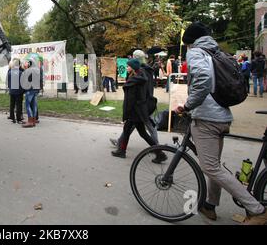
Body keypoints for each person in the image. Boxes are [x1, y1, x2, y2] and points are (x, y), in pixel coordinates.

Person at [174, 21, 267, 224]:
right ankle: (210, 205)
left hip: (206, 118)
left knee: (210, 167)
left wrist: (188, 106)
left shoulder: (196, 52)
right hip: (223, 117)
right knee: (214, 164)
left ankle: (256, 209)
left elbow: (204, 79)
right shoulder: (217, 52)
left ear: (189, 42)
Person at [110, 50, 164, 162]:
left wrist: (127, 114)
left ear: (133, 67)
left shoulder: (135, 81)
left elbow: (130, 100)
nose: (126, 67)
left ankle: (122, 151)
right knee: (142, 133)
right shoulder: (141, 76)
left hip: (135, 110)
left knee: (129, 130)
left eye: (128, 66)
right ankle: (159, 153)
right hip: (140, 109)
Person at [21, 57, 41, 128]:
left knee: (27, 104)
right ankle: (34, 120)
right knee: (34, 105)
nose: (27, 64)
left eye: (28, 62)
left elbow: (26, 81)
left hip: (30, 89)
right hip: (36, 89)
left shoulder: (29, 70)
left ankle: (30, 121)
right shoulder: (38, 70)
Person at [7, 59, 24, 124]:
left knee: (12, 104)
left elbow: (8, 82)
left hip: (12, 91)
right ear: (19, 64)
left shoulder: (10, 72)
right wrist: (23, 91)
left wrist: (10, 89)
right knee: (18, 105)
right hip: (19, 91)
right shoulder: (21, 73)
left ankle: (12, 117)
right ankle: (18, 119)